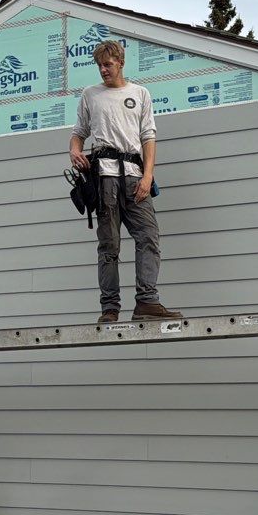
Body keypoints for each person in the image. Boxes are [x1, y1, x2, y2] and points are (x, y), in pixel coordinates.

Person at [69, 40, 183, 323]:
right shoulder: (90, 95)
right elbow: (79, 133)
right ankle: (110, 308)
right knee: (109, 245)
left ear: (120, 62)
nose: (103, 70)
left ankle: (146, 301)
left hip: (135, 177)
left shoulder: (140, 94)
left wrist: (148, 176)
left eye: (107, 64)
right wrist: (74, 150)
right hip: (104, 177)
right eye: (99, 66)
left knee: (149, 237)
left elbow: (148, 137)